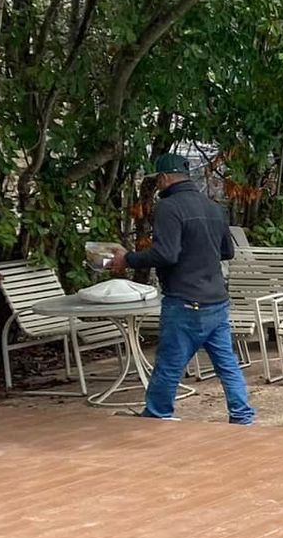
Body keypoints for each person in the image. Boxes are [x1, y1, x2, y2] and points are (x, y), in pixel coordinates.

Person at [107, 152, 253, 424]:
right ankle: (242, 417)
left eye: (157, 181)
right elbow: (227, 252)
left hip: (185, 300)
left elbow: (166, 254)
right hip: (217, 301)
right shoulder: (214, 208)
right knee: (228, 365)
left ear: (163, 178)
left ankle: (156, 415)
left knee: (169, 365)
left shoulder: (169, 207)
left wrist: (127, 259)